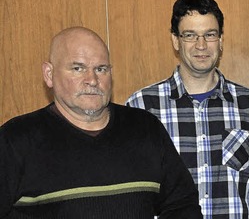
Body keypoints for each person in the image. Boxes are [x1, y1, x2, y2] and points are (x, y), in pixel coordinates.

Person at [0, 27, 201, 218]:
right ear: (49, 74)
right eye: (78, 68)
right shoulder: (15, 141)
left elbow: (183, 204)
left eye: (101, 69)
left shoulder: (145, 129)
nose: (92, 80)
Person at [126, 0, 249, 218]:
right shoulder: (142, 107)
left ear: (221, 40)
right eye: (190, 35)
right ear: (175, 40)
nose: (201, 45)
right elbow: (126, 186)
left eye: (210, 34)